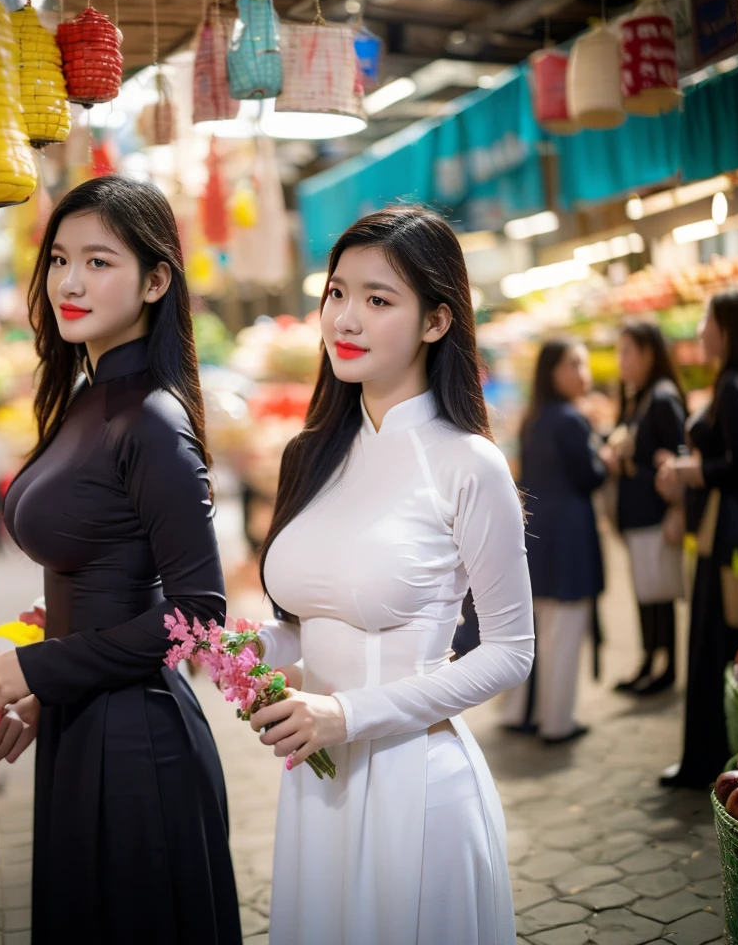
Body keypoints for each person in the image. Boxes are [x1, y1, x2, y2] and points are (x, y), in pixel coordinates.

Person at [0, 175, 241, 942]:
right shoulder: (85, 396)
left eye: (98, 261)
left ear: (156, 280)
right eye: (58, 259)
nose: (70, 282)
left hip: (138, 750)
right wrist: (45, 690)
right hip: (85, 727)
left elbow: (201, 619)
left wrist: (40, 670)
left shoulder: (151, 420)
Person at [245, 206, 534, 945]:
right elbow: (305, 624)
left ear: (437, 322)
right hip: (316, 786)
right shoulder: (308, 454)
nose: (346, 318)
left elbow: (511, 650)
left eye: (379, 300)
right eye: (337, 293)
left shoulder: (468, 465)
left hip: (419, 786)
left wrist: (345, 714)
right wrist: (239, 647)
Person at [656, 289, 738, 789]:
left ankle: (713, 759)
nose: (700, 330)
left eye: (707, 319)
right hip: (726, 527)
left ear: (726, 327)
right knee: (721, 643)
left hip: (725, 530)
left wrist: (691, 470)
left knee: (715, 642)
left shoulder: (733, 385)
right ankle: (726, 756)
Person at [499, 339, 606, 744]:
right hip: (570, 539)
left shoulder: (535, 417)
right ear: (553, 372)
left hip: (539, 534)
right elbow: (589, 478)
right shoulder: (571, 420)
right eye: (575, 364)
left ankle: (520, 712)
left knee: (537, 628)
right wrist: (607, 461)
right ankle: (557, 721)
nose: (584, 372)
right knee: (563, 630)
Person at [603, 322, 687, 696]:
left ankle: (666, 667)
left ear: (648, 353)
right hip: (638, 516)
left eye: (627, 352)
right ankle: (649, 660)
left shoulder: (663, 397)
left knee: (659, 594)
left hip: (656, 514)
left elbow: (679, 459)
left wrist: (677, 508)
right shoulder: (638, 396)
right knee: (646, 593)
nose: (621, 361)